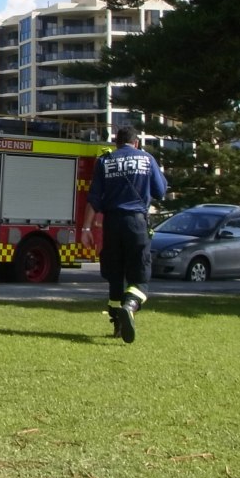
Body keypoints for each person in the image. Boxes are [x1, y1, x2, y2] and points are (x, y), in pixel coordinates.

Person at [81, 125, 167, 344]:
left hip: (111, 224)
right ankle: (130, 306)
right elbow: (160, 191)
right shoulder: (146, 159)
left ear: (116, 143)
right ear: (136, 142)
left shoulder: (105, 160)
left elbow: (94, 198)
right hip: (137, 224)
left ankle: (117, 323)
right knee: (140, 277)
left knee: (115, 275)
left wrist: (86, 229)